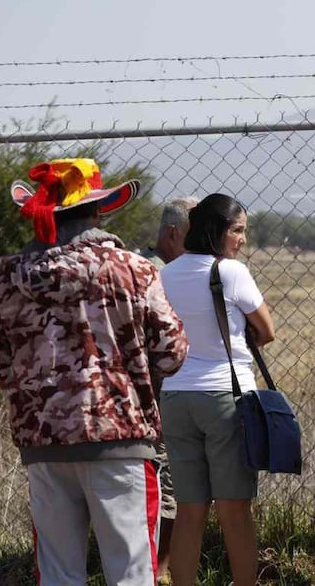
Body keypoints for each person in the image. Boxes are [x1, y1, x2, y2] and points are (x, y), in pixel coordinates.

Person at [0, 158, 189, 585]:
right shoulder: (134, 269)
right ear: (98, 211)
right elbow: (172, 353)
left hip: (43, 444)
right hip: (121, 440)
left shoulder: (8, 278)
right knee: (131, 572)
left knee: (58, 574)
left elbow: (2, 367)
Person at [159, 193, 276, 586]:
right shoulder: (230, 272)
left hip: (176, 397)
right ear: (216, 230)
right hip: (225, 397)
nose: (242, 239)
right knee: (234, 509)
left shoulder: (165, 274)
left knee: (189, 509)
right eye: (237, 230)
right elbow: (267, 330)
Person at [142, 195, 199, 584]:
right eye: (198, 234)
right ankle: (159, 572)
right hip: (157, 398)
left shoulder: (173, 271)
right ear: (174, 234)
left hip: (175, 395)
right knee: (166, 485)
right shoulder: (152, 274)